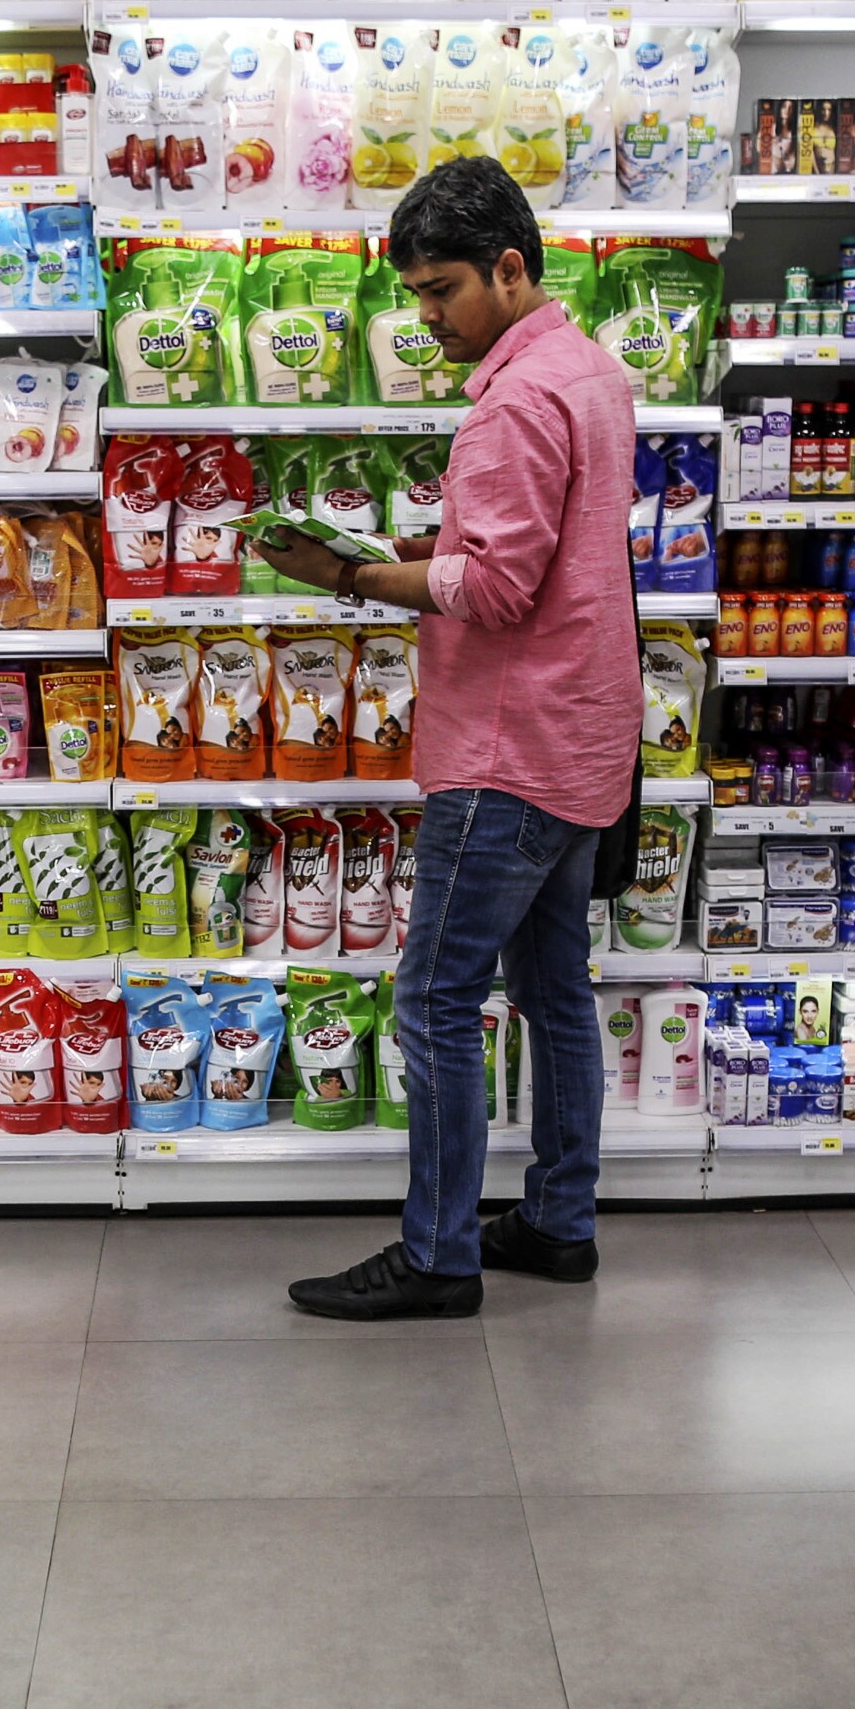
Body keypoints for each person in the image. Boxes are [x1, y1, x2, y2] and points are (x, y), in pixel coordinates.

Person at [250, 156, 642, 1322]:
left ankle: (437, 1257)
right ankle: (560, 1225)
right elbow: (550, 548)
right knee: (555, 991)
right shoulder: (591, 370)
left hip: (507, 748)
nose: (425, 318)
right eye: (415, 295)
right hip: (584, 732)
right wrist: (429, 545)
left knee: (432, 999)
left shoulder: (513, 402)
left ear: (508, 269)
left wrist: (345, 574)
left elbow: (500, 590)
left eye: (440, 291)